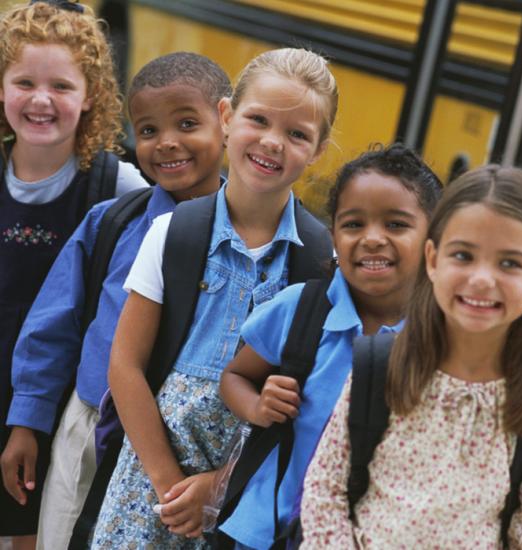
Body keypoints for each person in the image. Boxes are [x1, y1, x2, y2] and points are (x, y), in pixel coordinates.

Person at [89, 47, 338, 549]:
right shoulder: (173, 233)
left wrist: (219, 487)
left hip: (245, 493)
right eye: (258, 120)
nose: (272, 142)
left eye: (297, 134)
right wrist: (167, 484)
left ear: (318, 149)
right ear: (226, 117)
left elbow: (310, 403)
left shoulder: (319, 262)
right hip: (150, 480)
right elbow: (125, 367)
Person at [0, 50, 230, 550]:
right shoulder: (114, 221)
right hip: (87, 425)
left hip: (182, 447)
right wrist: (26, 421)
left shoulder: (242, 241)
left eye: (187, 123)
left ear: (227, 122)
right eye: (147, 131)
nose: (166, 142)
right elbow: (52, 326)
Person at [300, 165, 522, 547]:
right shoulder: (382, 366)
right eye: (463, 255)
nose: (483, 279)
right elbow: (324, 490)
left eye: (510, 263)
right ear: (432, 260)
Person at [217, 143, 443, 549]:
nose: (372, 239)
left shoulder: (440, 340)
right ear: (334, 233)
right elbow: (234, 376)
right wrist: (258, 405)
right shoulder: (302, 310)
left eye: (396, 225)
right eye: (354, 224)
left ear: (433, 240)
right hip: (270, 530)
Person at [0, 1, 148, 548]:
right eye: (24, 82)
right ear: (1, 89)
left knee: (31, 529)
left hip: (57, 405)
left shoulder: (118, 188)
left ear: (91, 98)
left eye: (61, 86)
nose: (41, 100)